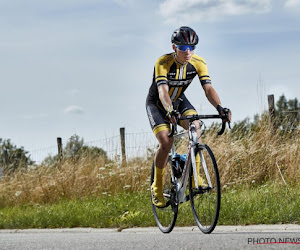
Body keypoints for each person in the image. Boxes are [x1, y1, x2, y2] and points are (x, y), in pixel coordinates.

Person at [146, 26, 231, 207]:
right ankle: (157, 186)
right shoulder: (162, 62)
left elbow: (208, 89)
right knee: (166, 143)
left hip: (179, 101)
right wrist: (170, 111)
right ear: (174, 47)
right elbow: (162, 92)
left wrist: (220, 108)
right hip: (158, 104)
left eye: (192, 47)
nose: (188, 52)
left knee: (196, 125)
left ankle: (196, 177)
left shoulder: (198, 62)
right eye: (184, 48)